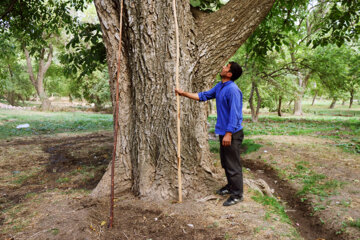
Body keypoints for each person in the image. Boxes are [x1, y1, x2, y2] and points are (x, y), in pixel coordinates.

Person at [175, 61, 244, 206]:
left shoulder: (233, 90)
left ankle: (237, 194)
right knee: (225, 162)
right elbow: (203, 96)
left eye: (226, 67)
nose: (223, 67)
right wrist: (183, 94)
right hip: (224, 131)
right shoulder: (220, 86)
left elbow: (235, 114)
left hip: (232, 133)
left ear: (229, 74)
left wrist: (229, 133)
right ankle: (231, 186)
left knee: (233, 164)